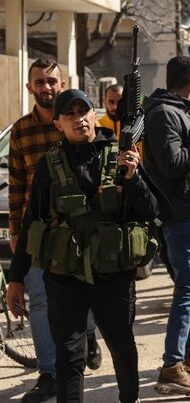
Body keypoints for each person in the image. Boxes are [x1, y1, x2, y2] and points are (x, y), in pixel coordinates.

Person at [6, 89, 159, 403]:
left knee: (122, 347)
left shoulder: (121, 156)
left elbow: (151, 211)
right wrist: (17, 279)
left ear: (94, 114)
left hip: (113, 275)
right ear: (59, 124)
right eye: (70, 114)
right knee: (69, 356)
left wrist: (133, 178)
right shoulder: (49, 166)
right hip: (65, 277)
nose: (79, 119)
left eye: (84, 111)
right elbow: (31, 221)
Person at [8, 60, 101, 402]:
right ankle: (48, 373)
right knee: (40, 303)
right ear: (30, 86)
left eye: (51, 81)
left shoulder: (81, 121)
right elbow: (16, 184)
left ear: (62, 84)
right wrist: (15, 231)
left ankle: (88, 336)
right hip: (38, 234)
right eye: (39, 81)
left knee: (86, 294)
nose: (46, 87)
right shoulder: (21, 131)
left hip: (81, 232)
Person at [144, 56, 190, 396]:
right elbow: (173, 164)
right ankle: (172, 365)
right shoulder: (164, 114)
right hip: (180, 214)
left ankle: (188, 353)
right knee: (189, 287)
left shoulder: (178, 111)